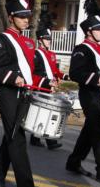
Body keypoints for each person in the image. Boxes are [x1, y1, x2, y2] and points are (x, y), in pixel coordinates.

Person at [0, 0, 54, 187]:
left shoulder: (28, 42)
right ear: (12, 17)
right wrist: (14, 78)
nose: (26, 20)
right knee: (17, 140)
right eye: (22, 17)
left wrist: (46, 83)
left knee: (12, 137)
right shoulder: (2, 40)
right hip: (9, 94)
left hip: (25, 95)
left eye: (27, 17)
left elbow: (29, 73)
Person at [66, 0, 100, 184]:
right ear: (89, 32)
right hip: (90, 95)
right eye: (99, 29)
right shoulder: (82, 49)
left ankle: (73, 161)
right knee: (99, 133)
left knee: (90, 130)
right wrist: (96, 79)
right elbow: (75, 72)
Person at [30, 12, 68, 150]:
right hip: (40, 87)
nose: (49, 41)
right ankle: (48, 141)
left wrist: (65, 76)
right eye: (46, 39)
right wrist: (46, 82)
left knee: (46, 114)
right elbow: (31, 73)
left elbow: (55, 71)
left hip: (50, 87)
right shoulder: (35, 54)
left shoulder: (51, 54)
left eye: (49, 39)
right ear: (40, 40)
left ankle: (36, 139)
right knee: (44, 114)